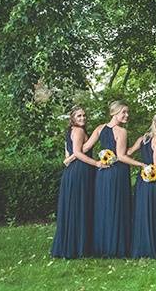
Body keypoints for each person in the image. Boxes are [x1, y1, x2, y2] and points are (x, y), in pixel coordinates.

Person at [90, 101, 145, 257]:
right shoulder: (121, 131)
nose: (127, 115)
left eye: (127, 112)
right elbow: (121, 156)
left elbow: (85, 148)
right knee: (117, 207)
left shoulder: (99, 129)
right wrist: (141, 164)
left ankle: (102, 246)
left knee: (104, 207)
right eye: (124, 112)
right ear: (114, 113)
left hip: (102, 174)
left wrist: (71, 154)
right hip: (117, 173)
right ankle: (116, 247)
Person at [51, 106, 106, 258]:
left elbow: (67, 157)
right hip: (81, 171)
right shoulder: (79, 131)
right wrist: (96, 163)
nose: (83, 118)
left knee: (75, 207)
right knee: (80, 206)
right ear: (73, 119)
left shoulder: (69, 132)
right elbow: (77, 153)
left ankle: (73, 245)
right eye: (79, 116)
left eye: (84, 115)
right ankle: (79, 247)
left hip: (72, 172)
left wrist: (70, 159)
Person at [126, 113, 156, 258]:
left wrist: (140, 165)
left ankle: (142, 248)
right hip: (155, 182)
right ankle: (152, 249)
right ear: (155, 124)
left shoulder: (143, 139)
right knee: (154, 212)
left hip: (143, 181)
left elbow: (127, 152)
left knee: (144, 213)